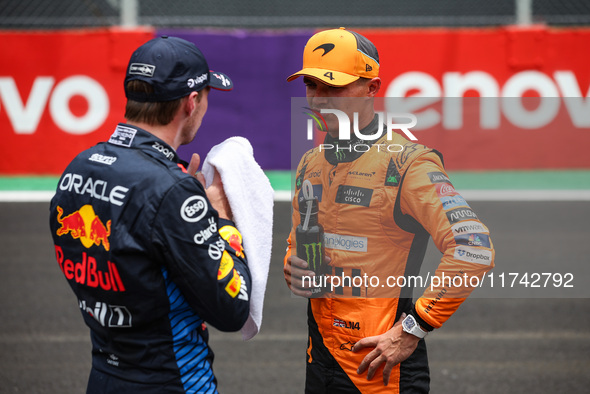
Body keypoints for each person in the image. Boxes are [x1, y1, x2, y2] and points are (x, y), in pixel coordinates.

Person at [284, 27, 495, 393]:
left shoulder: (409, 164)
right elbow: (296, 244)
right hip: (319, 360)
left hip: (382, 371)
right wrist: (294, 267)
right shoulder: (309, 163)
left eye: (333, 88)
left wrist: (414, 327)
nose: (318, 101)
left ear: (372, 87)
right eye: (312, 86)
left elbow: (474, 248)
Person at [49, 36, 251, 394]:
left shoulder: (78, 168)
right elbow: (232, 309)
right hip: (171, 381)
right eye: (206, 96)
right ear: (191, 103)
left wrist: (177, 201)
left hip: (103, 376)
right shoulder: (171, 191)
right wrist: (219, 217)